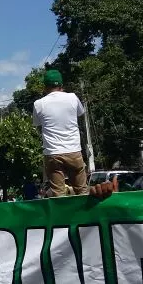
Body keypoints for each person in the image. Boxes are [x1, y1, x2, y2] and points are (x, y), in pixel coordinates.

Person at [32, 69, 88, 197]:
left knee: (59, 195)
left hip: (53, 153)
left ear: (45, 87)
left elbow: (37, 125)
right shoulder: (73, 97)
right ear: (61, 85)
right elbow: (80, 113)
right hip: (74, 150)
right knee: (82, 192)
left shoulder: (38, 104)